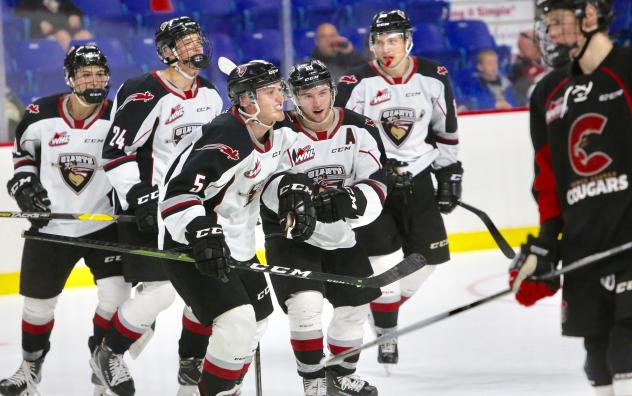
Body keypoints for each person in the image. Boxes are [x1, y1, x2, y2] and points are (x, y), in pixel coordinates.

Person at [92, 16, 223, 396]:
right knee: (162, 292)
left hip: (189, 209)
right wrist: (138, 193)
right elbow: (115, 151)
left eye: (198, 39)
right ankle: (109, 352)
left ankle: (190, 361)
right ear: (167, 52)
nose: (195, 46)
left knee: (207, 288)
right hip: (146, 210)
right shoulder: (144, 91)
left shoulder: (210, 94)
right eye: (185, 42)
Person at [509, 1, 632, 395]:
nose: (551, 34)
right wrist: (546, 243)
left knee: (625, 347)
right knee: (596, 358)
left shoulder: (628, 69)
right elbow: (548, 179)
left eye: (559, 22)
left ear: (591, 16)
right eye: (548, 24)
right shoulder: (547, 92)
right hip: (584, 244)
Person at [159, 59, 298, 396]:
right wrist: (202, 231)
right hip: (192, 244)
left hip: (239, 246)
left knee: (258, 319)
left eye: (279, 89)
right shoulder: (227, 137)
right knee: (237, 323)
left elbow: (278, 175)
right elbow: (178, 194)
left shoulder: (279, 131)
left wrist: (294, 190)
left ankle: (217, 386)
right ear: (247, 101)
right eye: (270, 91)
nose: (280, 97)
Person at [334, 9, 462, 371]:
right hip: (374, 184)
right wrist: (375, 167)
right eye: (378, 41)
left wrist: (450, 170)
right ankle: (387, 333)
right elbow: (341, 135)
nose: (385, 48)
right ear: (370, 44)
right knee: (385, 265)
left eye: (392, 40)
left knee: (430, 259)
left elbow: (445, 126)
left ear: (408, 41)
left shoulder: (433, 76)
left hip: (418, 177)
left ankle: (382, 309)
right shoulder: (355, 82)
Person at [0, 45, 131, 396]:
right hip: (51, 225)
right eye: (85, 74)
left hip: (104, 223)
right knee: (37, 305)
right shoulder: (39, 113)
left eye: (99, 73)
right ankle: (30, 368)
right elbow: (23, 157)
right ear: (70, 78)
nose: (94, 80)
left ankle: (101, 363)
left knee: (116, 295)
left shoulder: (119, 116)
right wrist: (25, 186)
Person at [260, 60, 385, 396]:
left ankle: (340, 375)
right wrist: (298, 203)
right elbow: (267, 183)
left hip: (342, 234)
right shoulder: (279, 130)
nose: (316, 102)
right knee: (305, 305)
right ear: (294, 98)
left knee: (354, 306)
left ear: (332, 91)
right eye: (306, 95)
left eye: (321, 93)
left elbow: (376, 182)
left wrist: (351, 201)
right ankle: (313, 380)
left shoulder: (359, 127)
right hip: (292, 236)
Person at [15, 0, 92, 51]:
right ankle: (70, 69)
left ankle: (88, 68)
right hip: (46, 34)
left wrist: (75, 16)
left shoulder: (63, 1)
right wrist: (38, 22)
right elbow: (19, 13)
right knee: (63, 36)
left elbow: (77, 12)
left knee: (85, 36)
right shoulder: (32, 2)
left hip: (68, 29)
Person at [510, 31, 547, 103]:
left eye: (523, 50)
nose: (521, 54)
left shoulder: (552, 60)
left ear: (536, 46)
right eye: (519, 49)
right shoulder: (518, 66)